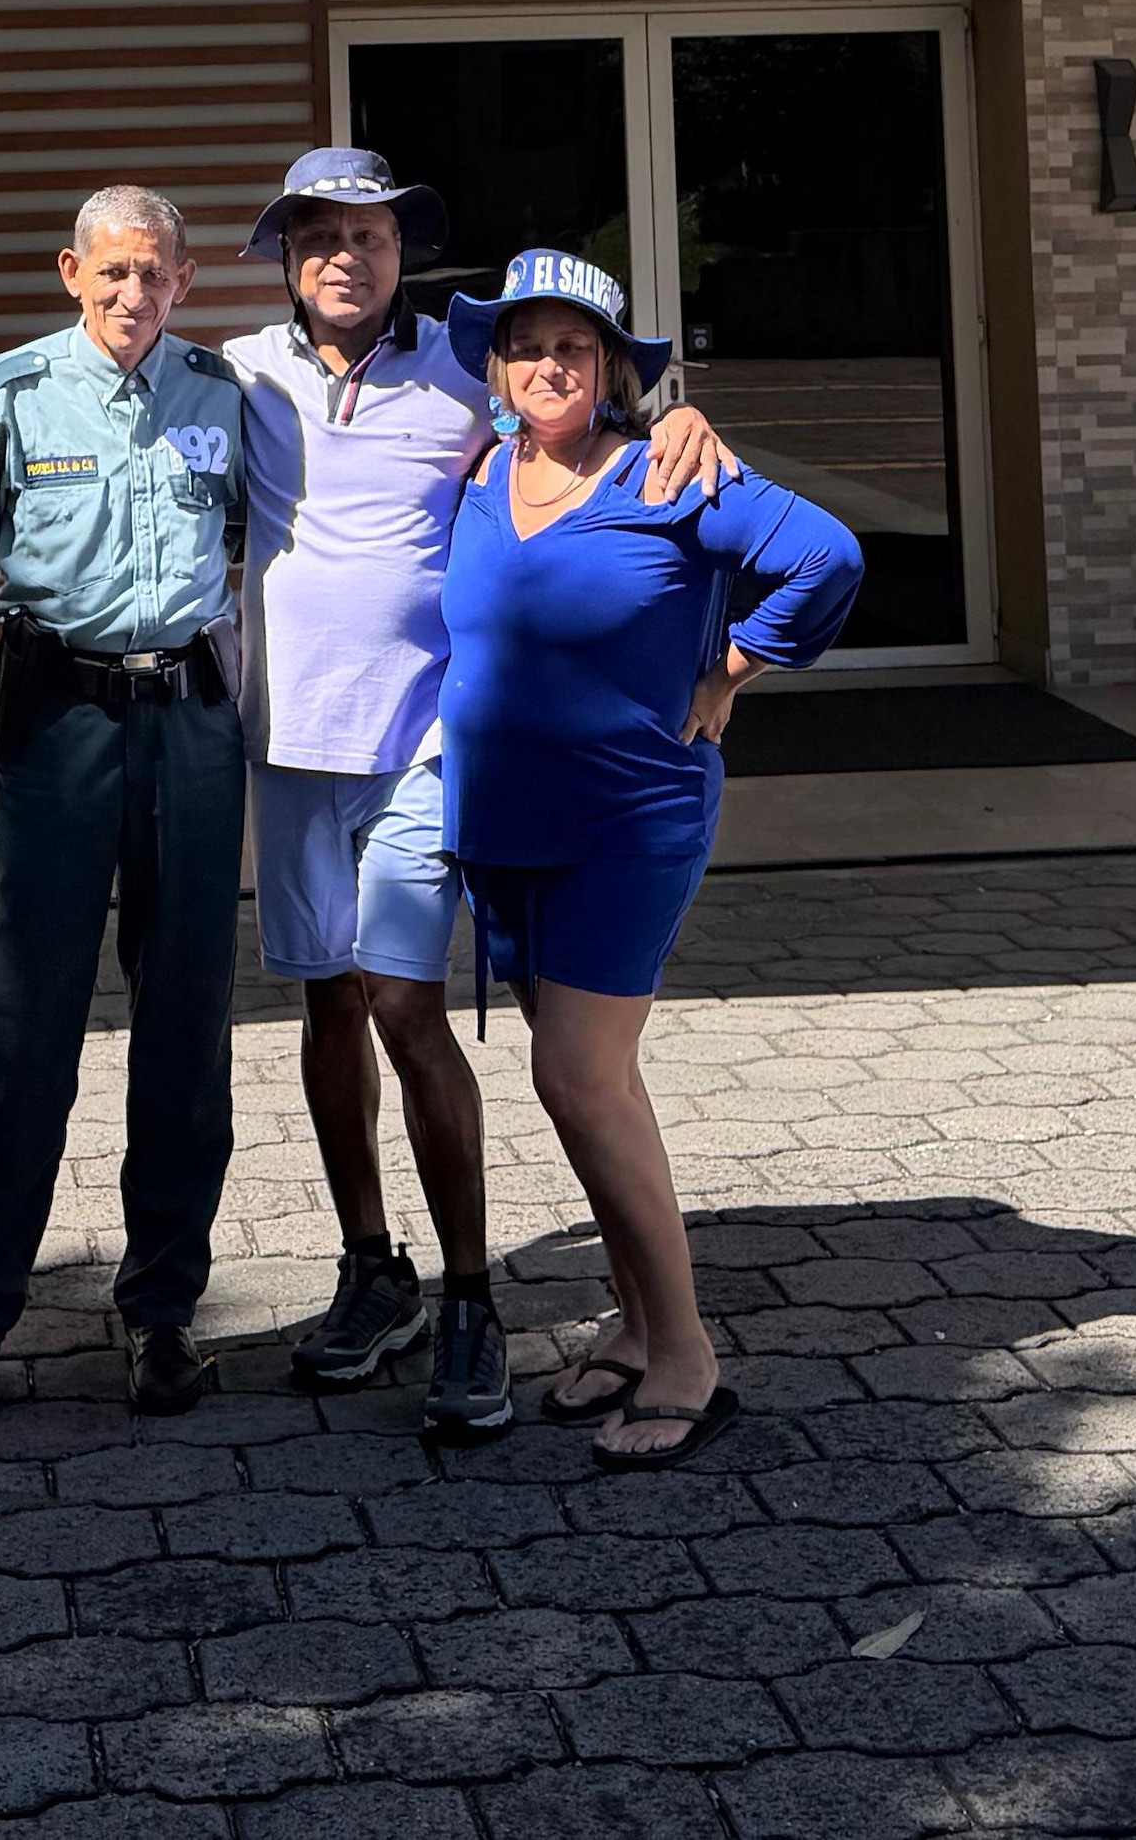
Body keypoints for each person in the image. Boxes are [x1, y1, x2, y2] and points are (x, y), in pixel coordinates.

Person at [217, 149, 734, 1437]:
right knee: (326, 1006)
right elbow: (124, 423)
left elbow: (578, 425)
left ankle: (467, 1298)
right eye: (320, 235)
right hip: (287, 744)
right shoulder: (236, 373)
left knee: (403, 1002)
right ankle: (371, 1268)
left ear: (401, 253)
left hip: (423, 745)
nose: (346, 256)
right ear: (286, 255)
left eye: (370, 236)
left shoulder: (463, 370)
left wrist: (675, 420)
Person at [438, 245, 862, 1467]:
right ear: (497, 368)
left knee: (577, 1077)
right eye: (526, 346)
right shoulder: (477, 473)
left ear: (612, 369)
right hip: (505, 824)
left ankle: (684, 1355)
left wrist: (731, 668)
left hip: (627, 821)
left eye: (573, 347)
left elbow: (827, 556)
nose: (547, 366)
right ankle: (630, 1326)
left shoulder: (665, 468)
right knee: (590, 1084)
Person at [0, 185, 249, 1438]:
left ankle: (162, 1314)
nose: (131, 295)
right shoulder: (11, 393)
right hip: (56, 730)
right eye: (111, 273)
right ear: (70, 271)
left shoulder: (223, 393)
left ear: (183, 282)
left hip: (191, 730)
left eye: (153, 274)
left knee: (185, 1030)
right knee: (26, 1027)